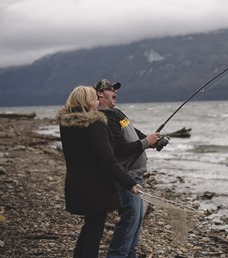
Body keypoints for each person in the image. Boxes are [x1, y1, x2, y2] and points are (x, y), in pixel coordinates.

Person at [56, 86, 158, 258]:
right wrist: (130, 183)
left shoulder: (67, 125)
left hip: (76, 184)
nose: (97, 102)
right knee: (94, 230)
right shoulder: (95, 125)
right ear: (88, 102)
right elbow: (108, 162)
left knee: (89, 226)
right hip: (95, 188)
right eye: (94, 99)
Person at [94, 79, 164, 258]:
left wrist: (153, 142)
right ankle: (117, 255)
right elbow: (119, 149)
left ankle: (129, 254)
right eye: (110, 89)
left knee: (137, 218)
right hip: (125, 174)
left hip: (135, 173)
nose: (114, 92)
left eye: (115, 89)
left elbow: (134, 133)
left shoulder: (116, 113)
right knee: (130, 217)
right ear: (100, 94)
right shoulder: (105, 118)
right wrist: (145, 142)